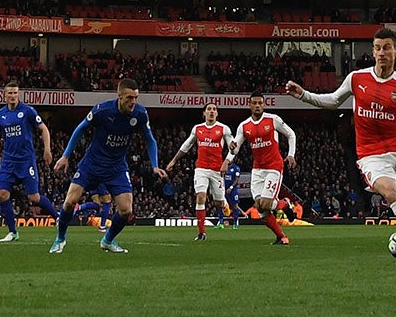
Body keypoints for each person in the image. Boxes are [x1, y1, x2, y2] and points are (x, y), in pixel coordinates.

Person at [285, 27, 396, 263]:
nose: (381, 52)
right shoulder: (357, 78)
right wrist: (304, 95)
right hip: (371, 154)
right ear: (372, 52)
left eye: (386, 48)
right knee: (390, 191)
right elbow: (333, 101)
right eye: (377, 48)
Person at [50, 78, 164, 254]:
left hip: (116, 167)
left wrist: (155, 165)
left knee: (126, 210)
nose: (133, 102)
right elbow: (80, 128)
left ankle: (108, 240)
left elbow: (150, 139)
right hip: (92, 163)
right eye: (129, 98)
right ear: (119, 96)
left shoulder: (140, 114)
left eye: (135, 97)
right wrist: (65, 155)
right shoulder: (103, 110)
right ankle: (60, 238)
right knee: (70, 201)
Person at [0, 83, 57, 242]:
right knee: (2, 194)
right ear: (5, 95)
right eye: (10, 93)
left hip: (26, 160)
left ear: (18, 94)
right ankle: (13, 232)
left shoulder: (27, 111)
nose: (13, 96)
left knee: (34, 197)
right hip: (8, 161)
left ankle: (57, 217)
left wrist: (47, 149)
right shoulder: (0, 115)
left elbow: (43, 128)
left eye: (15, 93)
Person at [232, 93, 297, 246]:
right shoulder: (244, 126)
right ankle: (282, 237)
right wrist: (231, 152)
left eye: (260, 103)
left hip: (274, 167)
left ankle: (286, 205)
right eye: (254, 103)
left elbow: (291, 134)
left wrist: (291, 154)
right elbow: (236, 147)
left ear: (264, 105)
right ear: (249, 105)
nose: (257, 106)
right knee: (260, 208)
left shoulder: (273, 120)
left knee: (266, 204)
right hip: (257, 170)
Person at [166, 103, 237, 240]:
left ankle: (224, 203)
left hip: (217, 171)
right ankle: (201, 233)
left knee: (218, 203)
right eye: (209, 109)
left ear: (217, 114)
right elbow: (186, 145)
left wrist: (227, 161)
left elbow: (233, 148)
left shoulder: (223, 129)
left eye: (214, 110)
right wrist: (174, 161)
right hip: (201, 169)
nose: (211, 112)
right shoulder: (197, 129)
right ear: (204, 113)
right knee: (200, 197)